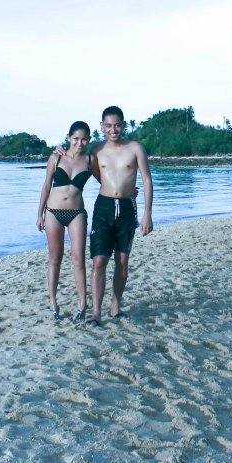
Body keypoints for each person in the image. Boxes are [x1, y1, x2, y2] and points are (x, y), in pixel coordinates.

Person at [87, 105, 153, 324]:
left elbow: (146, 179)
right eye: (108, 126)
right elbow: (78, 163)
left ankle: (115, 307)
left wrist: (147, 214)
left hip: (127, 208)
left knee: (122, 260)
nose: (112, 130)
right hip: (103, 207)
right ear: (102, 126)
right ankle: (96, 313)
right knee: (99, 261)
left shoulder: (135, 148)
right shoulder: (96, 150)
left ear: (123, 125)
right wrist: (58, 151)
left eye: (116, 125)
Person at [36, 121, 94, 322]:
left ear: (89, 140)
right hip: (53, 212)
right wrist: (39, 214)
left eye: (84, 138)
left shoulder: (89, 160)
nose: (80, 142)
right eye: (76, 138)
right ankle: (53, 302)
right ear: (68, 137)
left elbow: (107, 180)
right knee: (55, 258)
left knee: (79, 259)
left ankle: (82, 304)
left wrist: (126, 190)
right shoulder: (56, 157)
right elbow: (46, 186)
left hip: (77, 213)